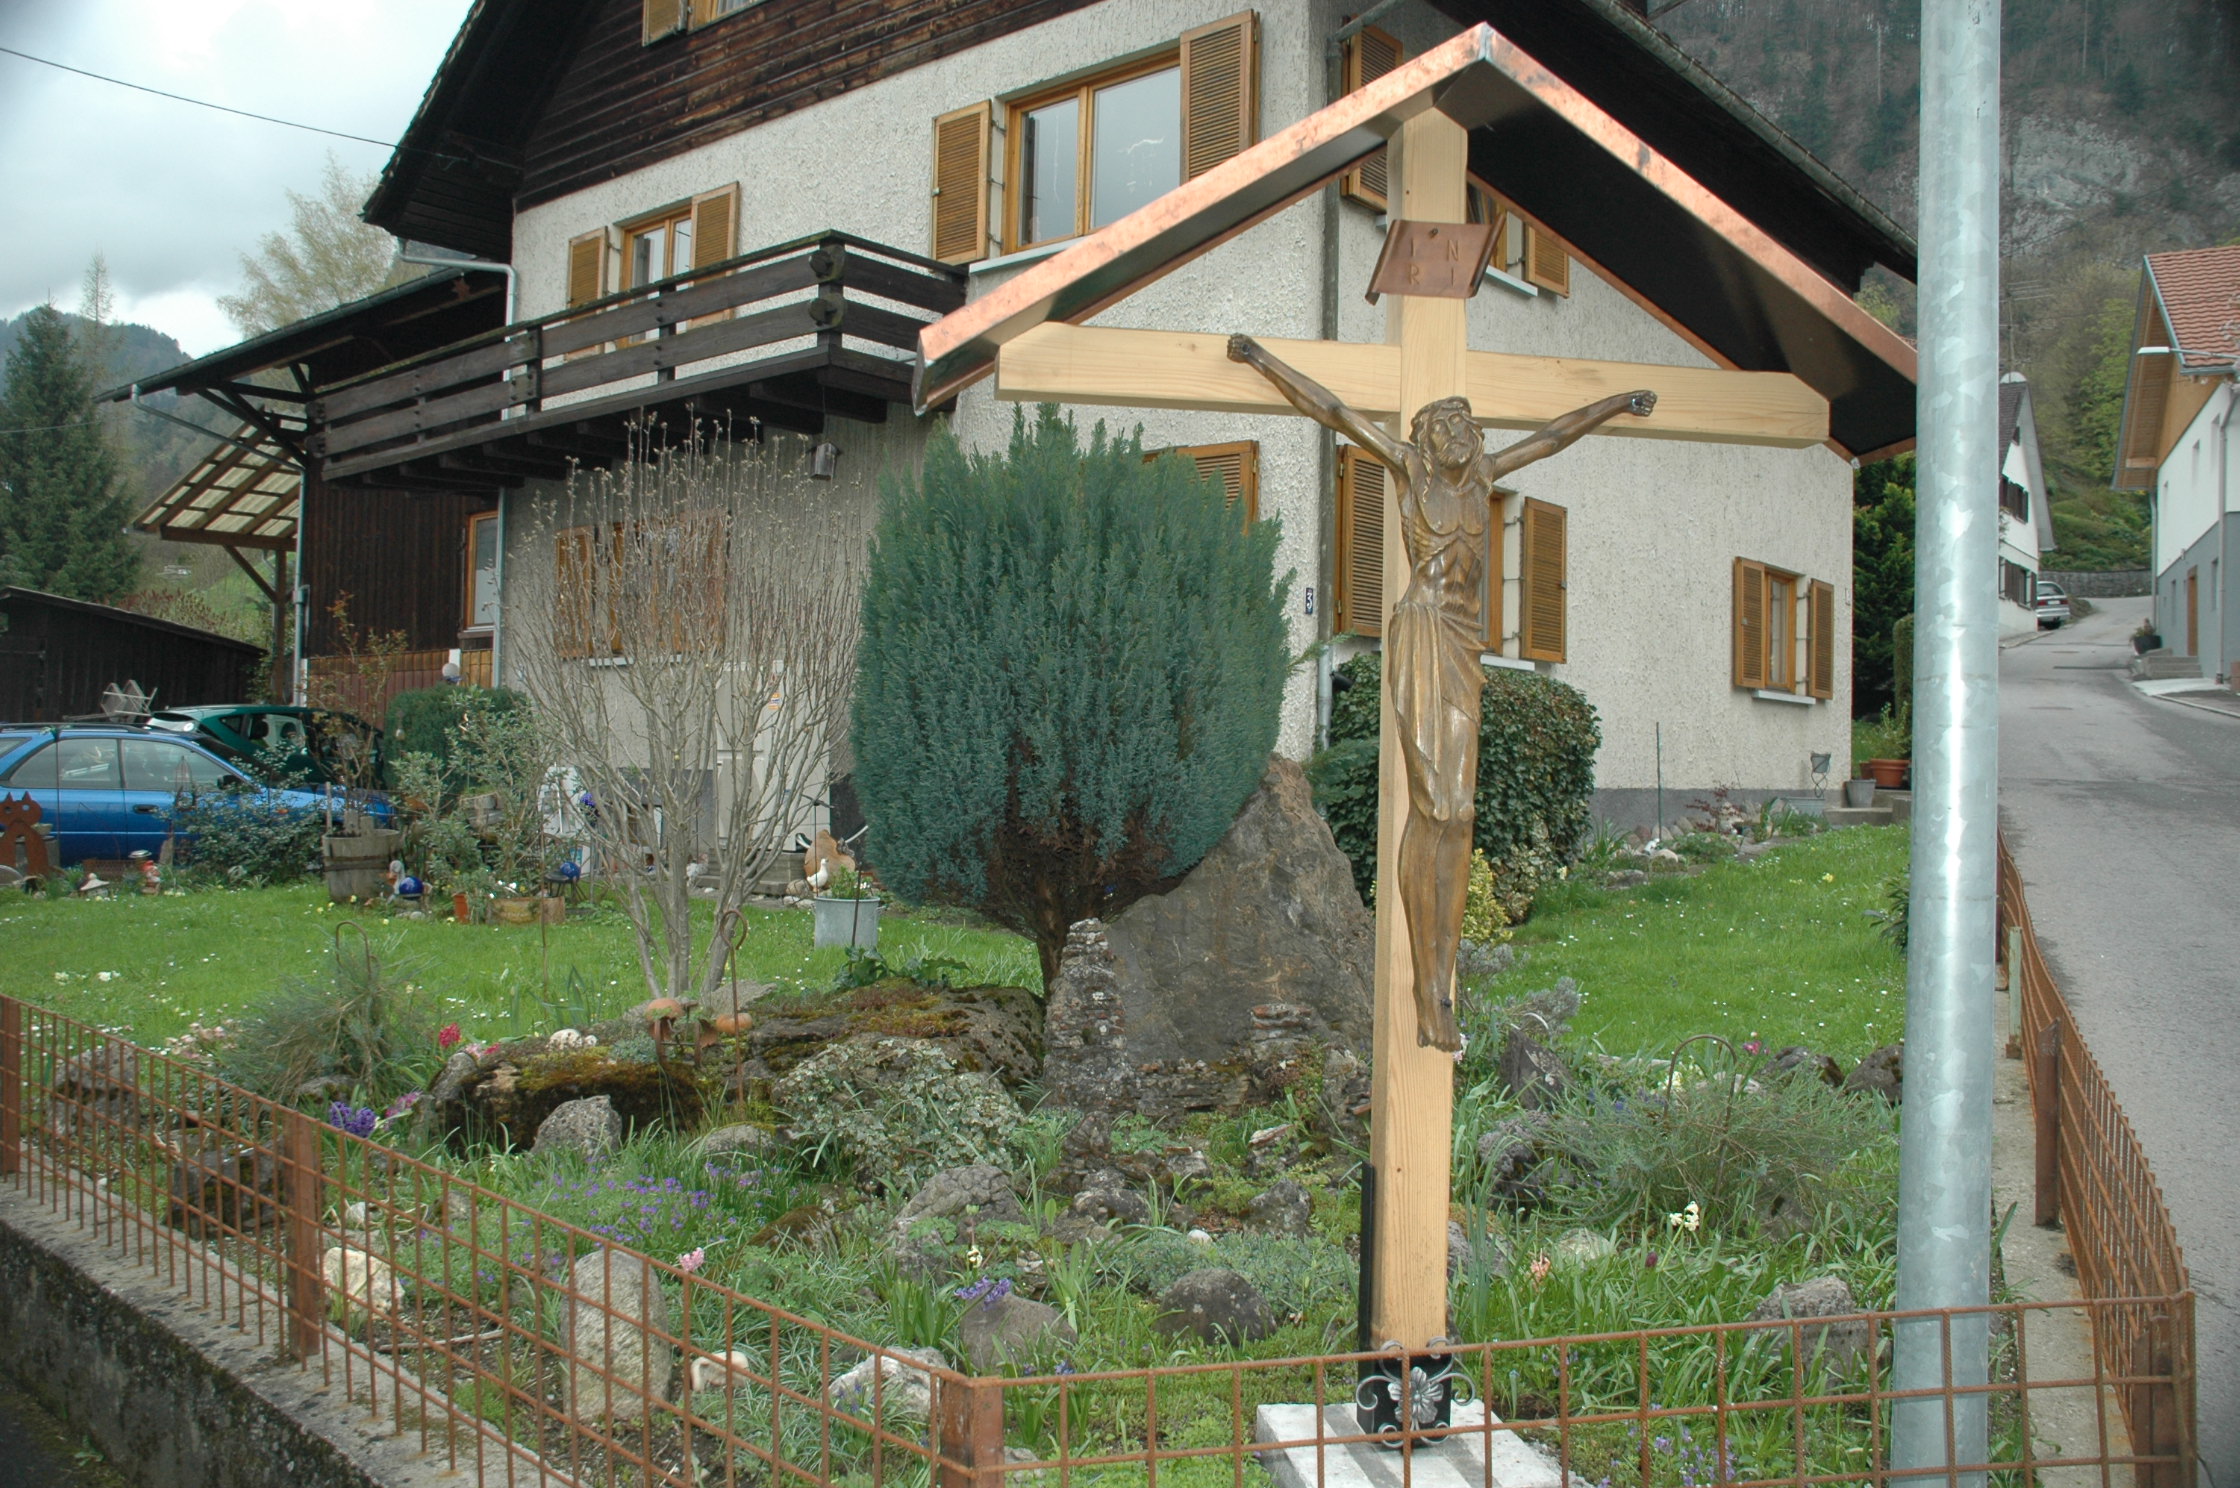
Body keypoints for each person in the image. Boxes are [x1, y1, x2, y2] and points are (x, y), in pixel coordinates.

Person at [1226, 333, 1654, 1050]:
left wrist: (1614, 403)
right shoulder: (1408, 469)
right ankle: (1426, 987)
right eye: (1444, 425)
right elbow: (1331, 409)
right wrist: (1260, 360)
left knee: (1462, 814)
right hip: (1422, 632)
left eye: (1464, 423)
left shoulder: (1484, 475)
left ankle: (1443, 981)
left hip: (1464, 641)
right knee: (1437, 806)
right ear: (1424, 437)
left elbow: (1553, 436)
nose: (1458, 433)